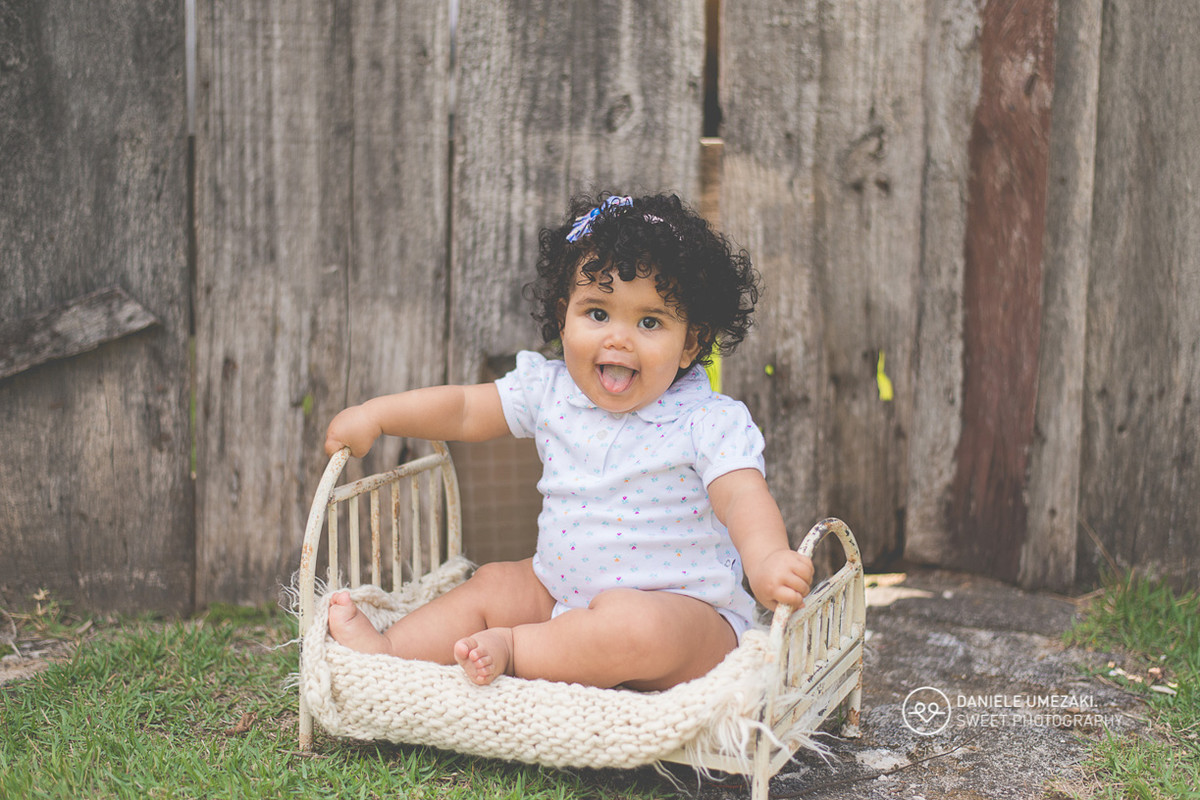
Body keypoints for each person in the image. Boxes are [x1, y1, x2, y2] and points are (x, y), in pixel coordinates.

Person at [322, 193, 813, 691]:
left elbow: (742, 496)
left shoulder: (706, 421)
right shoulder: (550, 391)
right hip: (562, 594)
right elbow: (466, 409)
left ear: (690, 342)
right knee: (495, 583)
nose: (618, 338)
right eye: (597, 313)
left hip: (688, 622)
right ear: (564, 316)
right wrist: (377, 415)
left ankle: (517, 650)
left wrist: (767, 558)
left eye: (649, 322)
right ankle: (389, 653)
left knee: (634, 626)